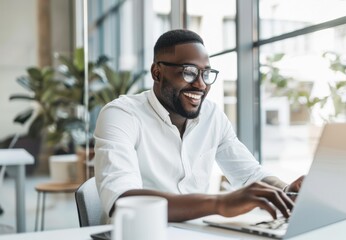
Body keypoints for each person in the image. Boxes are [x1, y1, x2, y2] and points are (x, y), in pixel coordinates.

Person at [94, 29, 304, 223]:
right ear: (157, 73)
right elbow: (123, 201)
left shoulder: (212, 115)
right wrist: (219, 203)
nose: (201, 84)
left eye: (205, 73)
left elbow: (249, 175)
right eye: (189, 72)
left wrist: (286, 191)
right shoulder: (121, 114)